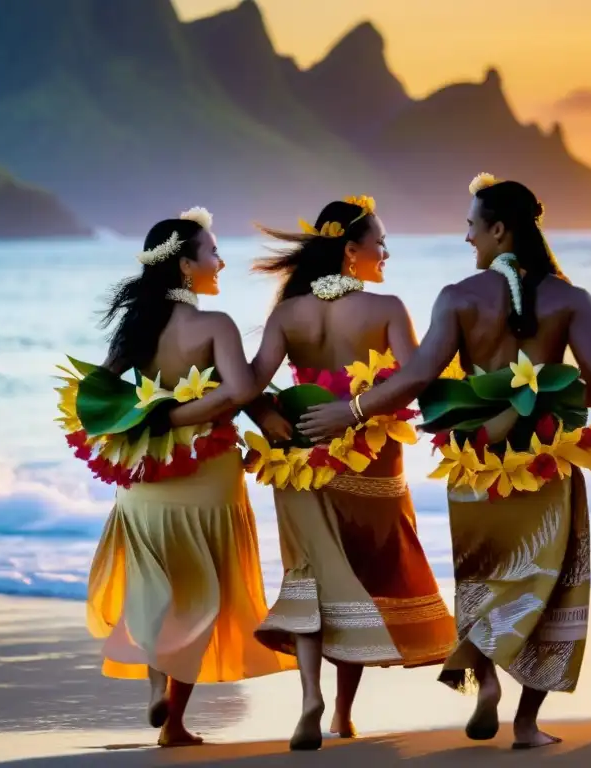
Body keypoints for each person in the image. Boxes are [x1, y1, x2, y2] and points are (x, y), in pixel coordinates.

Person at [298, 176, 591, 749]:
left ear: (499, 230)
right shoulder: (570, 298)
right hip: (545, 466)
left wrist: (349, 412)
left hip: (476, 467)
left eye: (472, 226)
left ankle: (486, 686)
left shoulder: (457, 296)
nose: (466, 237)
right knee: (549, 590)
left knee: (482, 581)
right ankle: (526, 724)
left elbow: (418, 376)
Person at [58, 208, 294, 748]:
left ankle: (154, 690)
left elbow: (102, 393)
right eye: (212, 252)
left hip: (145, 476)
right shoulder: (214, 325)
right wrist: (191, 413)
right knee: (201, 594)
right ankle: (175, 725)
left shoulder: (135, 328)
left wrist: (152, 417)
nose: (221, 260)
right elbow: (238, 390)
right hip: (206, 474)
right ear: (186, 265)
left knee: (156, 590)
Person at [244, 196, 457, 751]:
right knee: (358, 579)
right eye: (379, 242)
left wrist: (269, 419)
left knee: (312, 578)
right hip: (372, 459)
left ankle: (313, 697)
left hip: (302, 461)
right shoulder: (385, 308)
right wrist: (359, 410)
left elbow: (247, 383)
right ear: (351, 249)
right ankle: (341, 712)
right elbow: (415, 381)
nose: (385, 252)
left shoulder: (288, 314)